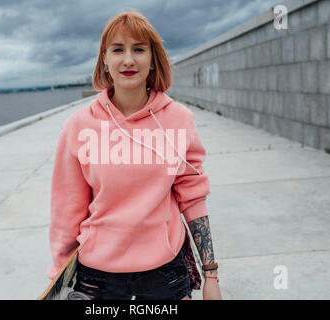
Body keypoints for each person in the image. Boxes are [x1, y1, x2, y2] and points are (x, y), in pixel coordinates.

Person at [47, 9, 222, 300]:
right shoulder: (78, 126)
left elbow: (193, 198)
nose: (128, 59)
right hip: (97, 280)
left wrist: (211, 275)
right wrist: (57, 280)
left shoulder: (179, 119)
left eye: (138, 49)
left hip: (165, 276)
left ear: (153, 59)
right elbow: (67, 211)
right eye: (118, 49)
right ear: (105, 59)